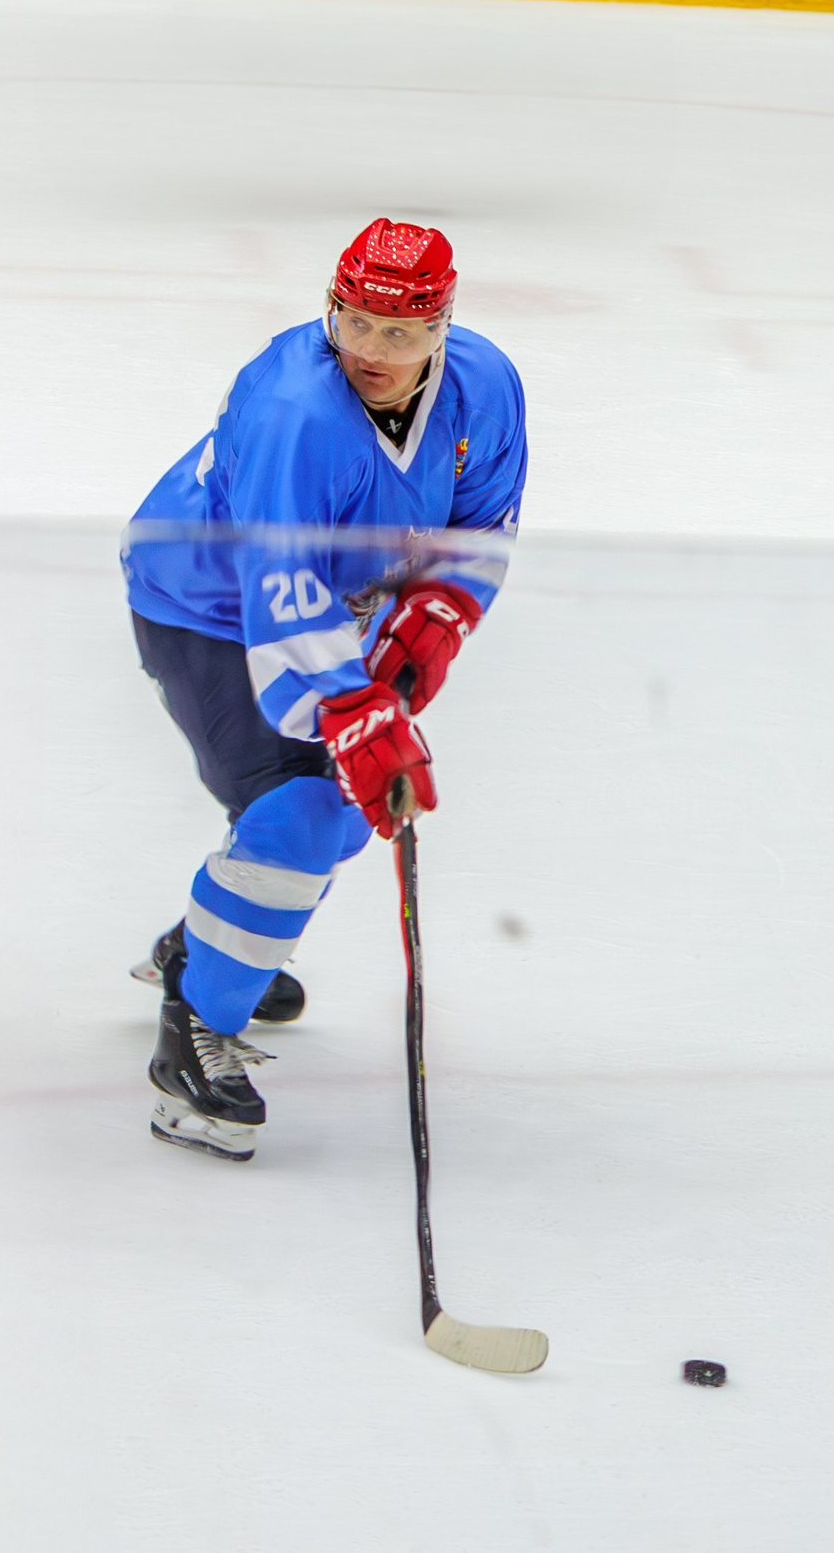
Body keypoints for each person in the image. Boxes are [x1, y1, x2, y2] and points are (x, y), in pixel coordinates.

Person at [121, 219, 527, 1160]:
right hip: (206, 604)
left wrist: (436, 621)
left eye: (399, 332)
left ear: (443, 327)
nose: (369, 350)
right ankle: (194, 1032)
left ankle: (209, 945)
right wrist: (354, 708)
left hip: (335, 604)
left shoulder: (485, 385)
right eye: (353, 322)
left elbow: (482, 525)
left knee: (340, 810)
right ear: (330, 308)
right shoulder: (292, 410)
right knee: (304, 812)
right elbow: (279, 589)